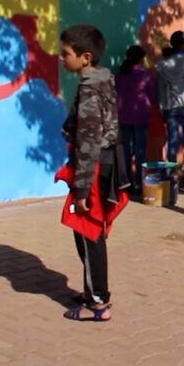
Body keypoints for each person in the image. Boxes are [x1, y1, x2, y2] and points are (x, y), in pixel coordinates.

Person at [57, 24, 129, 323]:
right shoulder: (102, 80)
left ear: (85, 57)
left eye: (66, 54)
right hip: (106, 161)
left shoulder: (89, 88)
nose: (62, 59)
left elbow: (88, 140)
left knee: (89, 231)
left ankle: (98, 302)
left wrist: (83, 190)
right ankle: (91, 290)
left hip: (94, 165)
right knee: (87, 232)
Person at [156, 30, 184, 193]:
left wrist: (162, 107)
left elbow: (160, 88)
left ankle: (171, 178)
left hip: (170, 106)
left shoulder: (163, 65)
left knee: (172, 142)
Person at [115, 45, 156, 191]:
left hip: (123, 116)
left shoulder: (119, 75)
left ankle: (126, 183)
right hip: (140, 116)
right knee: (140, 152)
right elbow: (153, 94)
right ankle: (139, 182)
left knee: (127, 150)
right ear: (141, 58)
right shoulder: (145, 74)